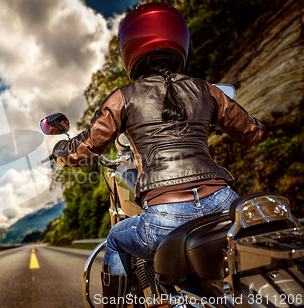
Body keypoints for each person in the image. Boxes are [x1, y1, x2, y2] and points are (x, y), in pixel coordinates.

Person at [51, 3, 265, 307]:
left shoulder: (123, 97)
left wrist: (61, 150)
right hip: (223, 203)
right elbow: (253, 132)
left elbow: (83, 150)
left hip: (166, 215)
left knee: (115, 239)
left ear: (130, 46)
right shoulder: (206, 90)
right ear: (179, 39)